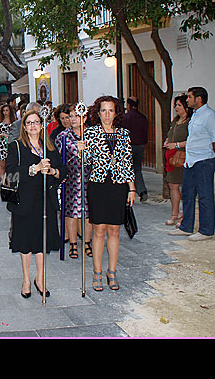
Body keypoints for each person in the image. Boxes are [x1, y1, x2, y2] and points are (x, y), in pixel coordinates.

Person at [77, 96, 136, 291]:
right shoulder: (91, 133)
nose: (107, 115)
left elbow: (128, 162)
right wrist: (81, 150)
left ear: (116, 113)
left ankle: (112, 271)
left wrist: (132, 188)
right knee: (99, 229)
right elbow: (85, 163)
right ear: (98, 112)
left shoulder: (124, 134)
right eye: (103, 110)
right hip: (99, 185)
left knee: (114, 230)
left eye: (111, 110)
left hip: (118, 185)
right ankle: (96, 272)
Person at [6, 109, 66, 298]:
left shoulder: (49, 147)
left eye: (36, 122)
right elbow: (10, 172)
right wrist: (34, 168)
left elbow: (62, 171)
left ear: (42, 126)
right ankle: (26, 279)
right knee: (26, 243)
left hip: (45, 201)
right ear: (24, 126)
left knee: (42, 242)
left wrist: (53, 172)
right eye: (29, 122)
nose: (33, 126)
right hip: (24, 201)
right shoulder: (16, 146)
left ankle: (40, 278)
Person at [168, 87, 215, 241]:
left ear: (199, 99)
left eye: (190, 97)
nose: (187, 100)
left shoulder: (209, 116)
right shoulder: (196, 115)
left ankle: (206, 231)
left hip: (203, 161)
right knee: (187, 194)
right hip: (190, 161)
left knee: (205, 197)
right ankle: (186, 226)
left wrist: (214, 155)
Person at [55, 108, 92, 259]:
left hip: (90, 178)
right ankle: (73, 243)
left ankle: (88, 242)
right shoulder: (63, 136)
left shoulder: (92, 134)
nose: (74, 119)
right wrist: (76, 148)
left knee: (88, 212)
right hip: (70, 178)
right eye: (71, 116)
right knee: (71, 212)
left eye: (77, 116)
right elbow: (60, 154)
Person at [162, 95, 192, 226]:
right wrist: (168, 141)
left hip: (184, 157)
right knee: (173, 185)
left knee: (185, 187)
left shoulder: (190, 122)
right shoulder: (175, 121)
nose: (176, 108)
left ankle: (185, 216)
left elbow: (192, 140)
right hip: (172, 158)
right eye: (176, 105)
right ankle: (175, 214)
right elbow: (170, 135)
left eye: (179, 105)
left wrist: (177, 145)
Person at [122, 97, 149, 201]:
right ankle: (142, 191)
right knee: (137, 170)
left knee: (126, 170)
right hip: (140, 146)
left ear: (128, 105)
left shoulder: (126, 118)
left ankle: (128, 192)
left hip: (128, 147)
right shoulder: (143, 117)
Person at [0, 103, 14, 182]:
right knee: (2, 165)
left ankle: (10, 180)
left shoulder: (14, 121)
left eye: (7, 110)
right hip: (2, 145)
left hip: (11, 144)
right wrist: (2, 135)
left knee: (10, 165)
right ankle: (3, 182)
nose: (5, 112)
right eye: (4, 111)